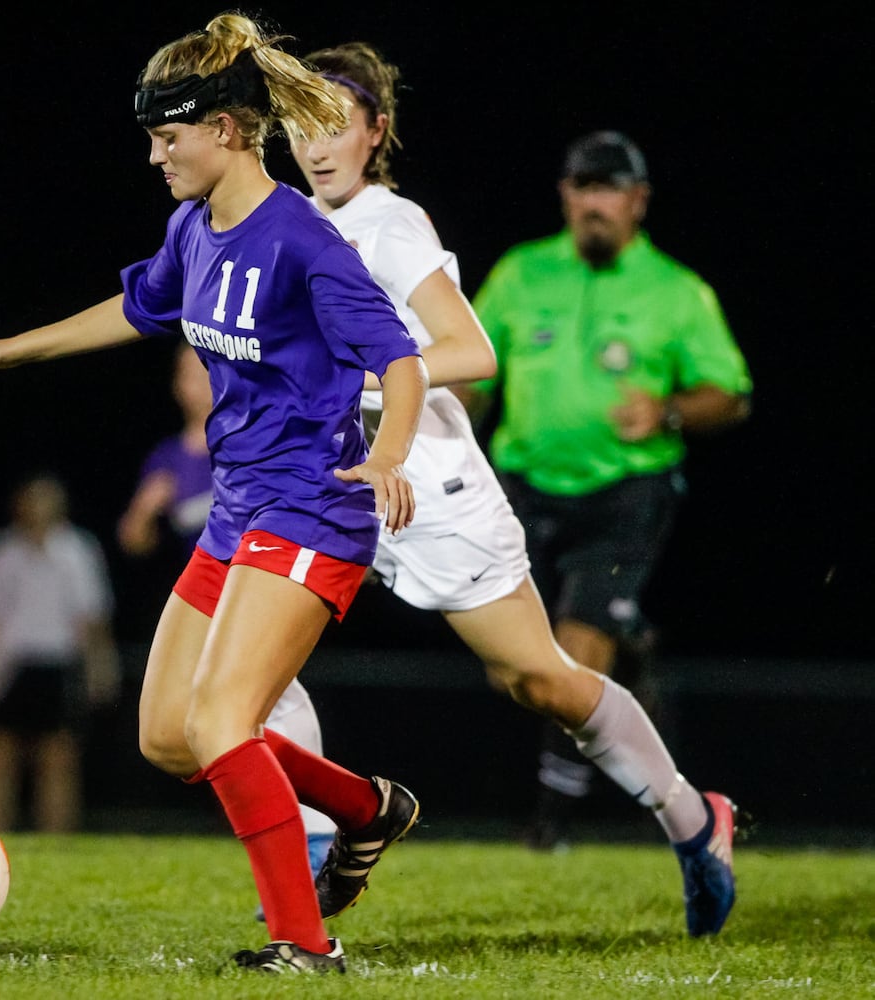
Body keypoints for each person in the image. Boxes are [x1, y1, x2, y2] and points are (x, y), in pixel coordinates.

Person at [0, 13, 427, 974]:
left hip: (313, 510)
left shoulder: (302, 243)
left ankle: (303, 944)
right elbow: (137, 306)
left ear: (229, 131)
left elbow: (399, 361)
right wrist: (10, 348)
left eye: (169, 137)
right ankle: (366, 807)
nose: (156, 156)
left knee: (219, 725)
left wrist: (392, 454)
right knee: (167, 739)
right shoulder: (193, 228)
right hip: (240, 511)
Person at [288, 42, 740, 936]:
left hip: (433, 487)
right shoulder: (287, 222)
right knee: (248, 651)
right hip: (333, 481)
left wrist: (364, 390)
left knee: (540, 679)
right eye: (300, 123)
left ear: (378, 131)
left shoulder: (392, 225)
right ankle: (315, 840)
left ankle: (693, 821)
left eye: (337, 121)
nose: (317, 142)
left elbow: (469, 356)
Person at [466, 130, 752, 852]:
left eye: (608, 190)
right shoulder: (521, 273)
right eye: (582, 188)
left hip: (625, 495)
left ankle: (551, 826)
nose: (594, 203)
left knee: (572, 654)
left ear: (637, 201)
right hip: (524, 490)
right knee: (512, 666)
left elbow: (733, 393)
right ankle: (632, 651)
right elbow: (472, 374)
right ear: (565, 195)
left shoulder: (676, 290)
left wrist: (671, 411)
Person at [116, 342, 336, 893]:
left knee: (266, 699)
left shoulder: (246, 435)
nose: (193, 381)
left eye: (202, 370)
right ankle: (321, 825)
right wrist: (147, 512)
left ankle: (315, 840)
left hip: (265, 581)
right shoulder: (172, 457)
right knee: (199, 723)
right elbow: (133, 536)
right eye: (184, 372)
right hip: (206, 590)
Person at [0, 472, 120, 833]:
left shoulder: (77, 550)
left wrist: (100, 667)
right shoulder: (2, 550)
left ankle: (56, 844)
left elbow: (92, 618)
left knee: (58, 758)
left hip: (57, 663)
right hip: (7, 664)